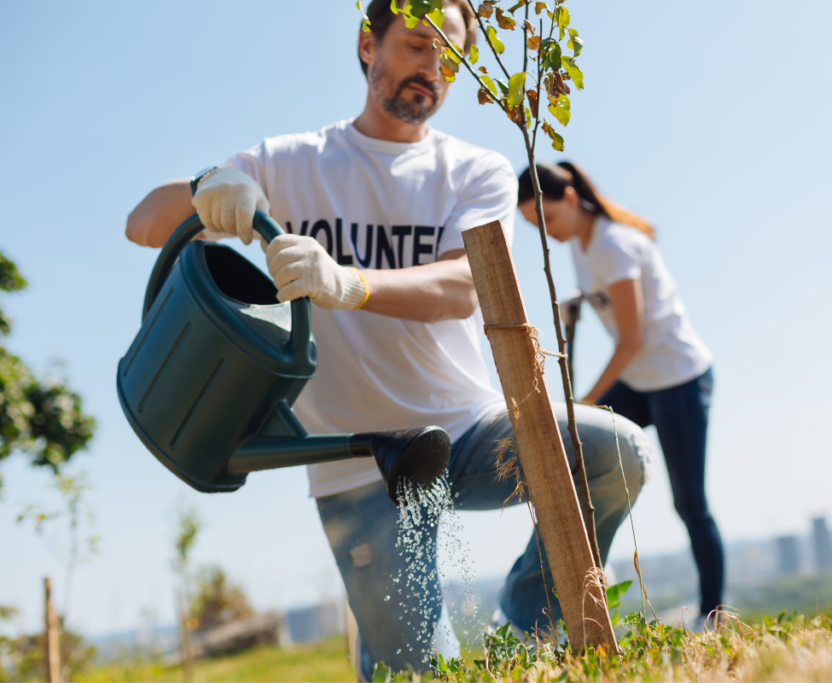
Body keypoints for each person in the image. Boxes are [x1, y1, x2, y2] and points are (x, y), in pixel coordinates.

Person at [125, 3, 648, 677]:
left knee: (619, 453)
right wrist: (209, 189)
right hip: (357, 459)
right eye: (418, 45)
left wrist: (348, 282)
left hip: (468, 432)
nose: (432, 68)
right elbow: (143, 223)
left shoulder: (475, 170)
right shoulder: (291, 164)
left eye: (451, 58)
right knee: (414, 673)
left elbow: (470, 284)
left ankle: (526, 622)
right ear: (368, 44)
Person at [517, 161, 724, 628]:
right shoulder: (582, 244)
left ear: (570, 199)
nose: (546, 233)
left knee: (690, 504)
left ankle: (713, 615)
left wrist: (585, 403)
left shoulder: (613, 244)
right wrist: (579, 301)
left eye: (546, 219)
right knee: (584, 458)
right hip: (641, 379)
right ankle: (589, 580)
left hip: (678, 378)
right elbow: (609, 295)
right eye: (535, 227)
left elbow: (632, 339)